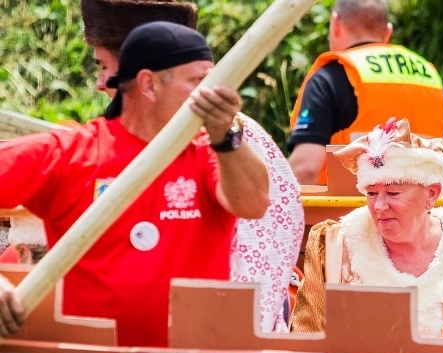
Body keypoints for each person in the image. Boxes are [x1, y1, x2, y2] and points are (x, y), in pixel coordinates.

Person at [0, 21, 270, 346]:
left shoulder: (211, 152)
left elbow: (254, 204)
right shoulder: (73, 153)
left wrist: (225, 135)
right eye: (199, 81)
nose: (213, 92)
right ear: (149, 85)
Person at [81, 0, 304, 332]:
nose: (100, 82)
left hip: (211, 343)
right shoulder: (147, 138)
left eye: (103, 66)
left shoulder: (220, 141)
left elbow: (253, 277)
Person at [290, 118, 443, 336]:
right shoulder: (331, 248)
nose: (379, 206)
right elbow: (305, 342)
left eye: (393, 193)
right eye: (371, 193)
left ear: (431, 193)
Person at [287, 0, 443, 186]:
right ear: (387, 32)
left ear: (335, 24)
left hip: (348, 223)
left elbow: (305, 168)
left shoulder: (331, 77)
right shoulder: (424, 76)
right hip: (420, 224)